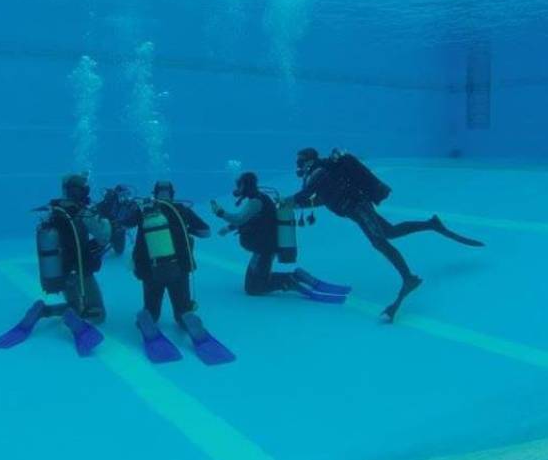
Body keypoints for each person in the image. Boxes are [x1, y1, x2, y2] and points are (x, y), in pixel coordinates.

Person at [291, 148, 484, 322]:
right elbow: (322, 199)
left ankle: (408, 278)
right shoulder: (320, 174)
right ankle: (431, 224)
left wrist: (286, 202)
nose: (298, 165)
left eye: (300, 161)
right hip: (357, 207)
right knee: (390, 232)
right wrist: (295, 204)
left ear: (308, 161)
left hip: (358, 207)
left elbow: (306, 194)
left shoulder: (318, 173)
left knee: (379, 242)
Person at [0, 174, 109, 356]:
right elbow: (104, 235)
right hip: (81, 273)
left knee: (75, 304)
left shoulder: (54, 210)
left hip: (60, 272)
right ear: (81, 191)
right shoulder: (82, 212)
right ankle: (69, 317)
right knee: (98, 315)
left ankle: (43, 311)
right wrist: (105, 220)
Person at [130, 181, 233, 365]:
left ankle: (147, 317)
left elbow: (124, 223)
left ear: (154, 193)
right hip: (179, 269)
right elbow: (206, 232)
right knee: (181, 310)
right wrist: (185, 228)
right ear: (172, 193)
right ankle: (186, 317)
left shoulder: (144, 210)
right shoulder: (181, 210)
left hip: (150, 271)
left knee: (153, 310)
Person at [211, 172, 351, 302]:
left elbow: (240, 219)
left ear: (245, 186)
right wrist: (228, 228)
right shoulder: (260, 198)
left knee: (254, 288)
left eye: (239, 186)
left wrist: (220, 213)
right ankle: (297, 277)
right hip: (264, 247)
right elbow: (250, 220)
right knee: (253, 284)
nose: (237, 189)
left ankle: (290, 281)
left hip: (265, 248)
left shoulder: (256, 202)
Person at [94, 184, 139, 256]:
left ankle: (111, 241)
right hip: (106, 227)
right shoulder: (109, 201)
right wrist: (103, 221)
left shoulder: (132, 205)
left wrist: (124, 225)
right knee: (98, 248)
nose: (125, 197)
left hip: (119, 230)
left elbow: (135, 220)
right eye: (122, 195)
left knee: (119, 251)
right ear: (116, 195)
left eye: (127, 194)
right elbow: (98, 209)